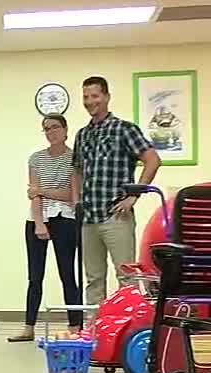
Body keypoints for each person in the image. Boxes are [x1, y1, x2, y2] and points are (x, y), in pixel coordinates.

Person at [71, 76, 161, 310]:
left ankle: (126, 332)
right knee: (94, 280)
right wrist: (77, 201)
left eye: (95, 96)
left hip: (116, 216)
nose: (90, 101)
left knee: (127, 279)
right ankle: (95, 335)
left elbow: (152, 160)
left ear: (106, 97)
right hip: (89, 218)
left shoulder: (124, 129)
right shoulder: (82, 134)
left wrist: (134, 196)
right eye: (86, 97)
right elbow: (77, 170)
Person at [9, 113, 84, 342]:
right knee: (35, 276)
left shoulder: (75, 158)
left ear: (65, 130)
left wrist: (42, 191)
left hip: (65, 218)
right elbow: (33, 194)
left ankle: (75, 326)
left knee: (67, 274)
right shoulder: (36, 159)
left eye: (55, 127)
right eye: (46, 129)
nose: (51, 132)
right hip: (37, 219)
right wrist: (40, 224)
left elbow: (72, 196)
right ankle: (28, 327)